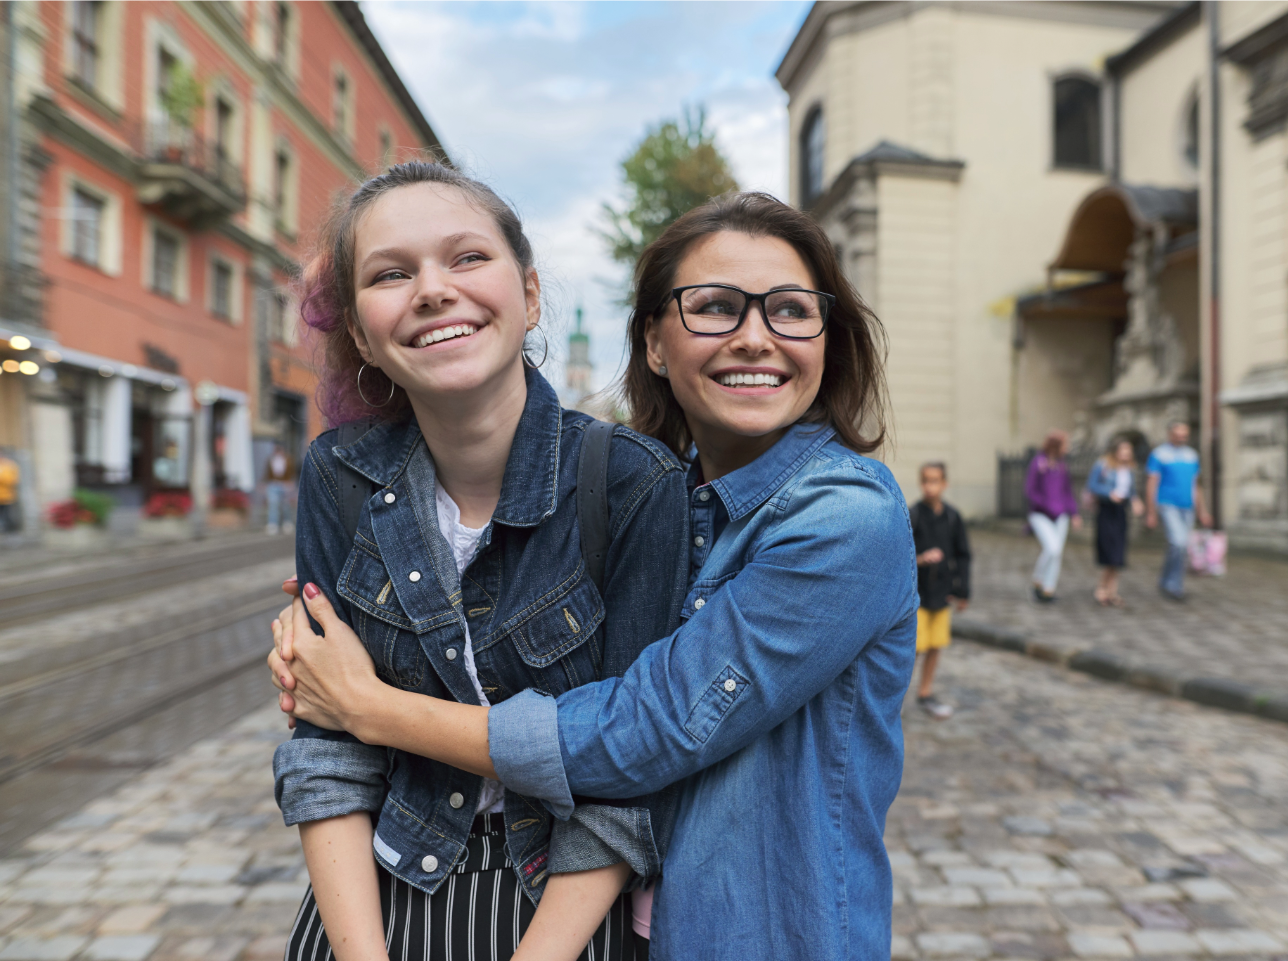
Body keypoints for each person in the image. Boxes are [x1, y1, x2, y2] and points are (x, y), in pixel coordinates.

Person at [269, 192, 917, 960]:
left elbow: (642, 731)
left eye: (789, 309)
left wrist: (368, 705)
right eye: (713, 307)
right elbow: (326, 756)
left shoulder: (844, 517)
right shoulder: (670, 490)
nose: (754, 337)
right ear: (653, 343)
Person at [269, 162, 691, 961]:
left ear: (529, 296)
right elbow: (325, 747)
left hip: (562, 910)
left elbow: (629, 772)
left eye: (466, 258)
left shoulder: (633, 481)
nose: (432, 289)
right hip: (378, 894)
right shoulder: (339, 474)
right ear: (360, 331)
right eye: (391, 273)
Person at [911, 461, 971, 719]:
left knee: (936, 645)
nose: (930, 486)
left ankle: (925, 692)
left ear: (944, 484)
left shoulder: (952, 516)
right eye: (926, 480)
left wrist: (962, 591)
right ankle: (893, 700)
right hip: (918, 595)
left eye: (935, 481)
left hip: (942, 592)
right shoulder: (913, 514)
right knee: (913, 649)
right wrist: (921, 559)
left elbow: (963, 555)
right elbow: (900, 556)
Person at [1145, 421, 1211, 600]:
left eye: (1185, 434)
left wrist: (1202, 511)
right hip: (1167, 504)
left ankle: (1166, 580)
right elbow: (1152, 483)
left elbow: (1195, 485)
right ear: (1170, 434)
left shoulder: (1192, 455)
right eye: (1178, 434)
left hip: (1187, 506)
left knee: (1178, 545)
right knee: (1179, 542)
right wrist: (1151, 512)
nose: (1182, 437)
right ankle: (1174, 586)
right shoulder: (1159, 454)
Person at [1087, 437, 1144, 607]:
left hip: (1121, 511)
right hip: (1106, 510)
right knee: (1109, 549)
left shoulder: (1130, 470)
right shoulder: (1103, 465)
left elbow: (1131, 491)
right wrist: (1109, 493)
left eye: (1129, 450)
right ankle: (1102, 589)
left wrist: (1135, 501)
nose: (1126, 453)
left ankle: (1111, 591)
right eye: (1123, 450)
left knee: (1119, 552)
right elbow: (1092, 485)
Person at [1024, 430, 1080, 603]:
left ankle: (1049, 589)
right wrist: (1048, 505)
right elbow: (1030, 490)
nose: (1067, 448)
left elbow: (1067, 491)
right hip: (1041, 514)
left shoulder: (1062, 466)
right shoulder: (1038, 463)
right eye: (1065, 444)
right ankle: (1038, 578)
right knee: (1052, 548)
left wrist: (1074, 513)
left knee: (1057, 553)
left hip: (1061, 516)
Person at [264, 445, 293, 535]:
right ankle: (273, 524)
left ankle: (287, 522)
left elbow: (291, 471)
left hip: (285, 484)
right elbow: (267, 472)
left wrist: (290, 482)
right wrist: (265, 483)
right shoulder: (271, 460)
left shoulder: (288, 460)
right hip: (273, 484)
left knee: (286, 505)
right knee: (273, 505)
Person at [0, 451, 19, 533]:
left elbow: (13, 480)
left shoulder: (10, 465)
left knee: (7, 514)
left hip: (7, 496)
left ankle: (8, 529)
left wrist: (2, 478)